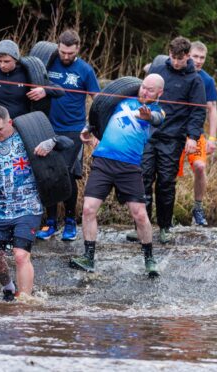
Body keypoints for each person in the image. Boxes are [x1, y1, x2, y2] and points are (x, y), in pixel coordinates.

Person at [0, 105, 71, 301]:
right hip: (1, 207)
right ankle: (9, 287)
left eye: (0, 129)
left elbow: (67, 142)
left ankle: (24, 302)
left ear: (9, 122)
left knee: (20, 255)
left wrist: (52, 143)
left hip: (29, 204)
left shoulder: (27, 137)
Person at [69, 74, 165, 276]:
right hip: (103, 161)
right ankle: (88, 257)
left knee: (139, 214)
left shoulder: (157, 111)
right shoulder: (122, 100)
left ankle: (149, 259)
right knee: (88, 209)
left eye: (149, 90)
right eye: (143, 87)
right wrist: (88, 128)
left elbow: (157, 119)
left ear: (159, 93)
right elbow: (99, 112)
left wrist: (148, 116)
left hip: (129, 167)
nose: (143, 91)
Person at [130, 37, 206, 244]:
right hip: (149, 134)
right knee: (143, 177)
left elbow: (198, 112)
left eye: (180, 59)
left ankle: (164, 226)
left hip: (173, 138)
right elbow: (143, 90)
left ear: (187, 56)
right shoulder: (159, 69)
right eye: (173, 57)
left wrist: (192, 137)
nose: (176, 62)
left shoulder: (194, 80)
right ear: (169, 53)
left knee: (165, 182)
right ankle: (141, 225)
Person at [36, 29, 101, 241]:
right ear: (58, 47)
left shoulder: (85, 70)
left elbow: (97, 100)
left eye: (70, 53)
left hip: (73, 130)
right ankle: (51, 222)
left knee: (67, 174)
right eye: (63, 52)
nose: (65, 56)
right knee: (48, 174)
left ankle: (71, 221)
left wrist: (92, 128)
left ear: (78, 49)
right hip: (47, 127)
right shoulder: (48, 63)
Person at [0, 39, 64, 139]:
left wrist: (44, 91)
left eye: (7, 61)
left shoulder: (28, 74)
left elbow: (60, 90)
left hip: (22, 133)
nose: (2, 65)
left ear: (16, 59)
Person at [177, 41, 217, 226]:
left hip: (196, 133)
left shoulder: (207, 80)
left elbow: (212, 109)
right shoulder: (176, 72)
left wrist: (212, 138)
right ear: (187, 55)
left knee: (200, 167)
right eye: (195, 56)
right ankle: (166, 211)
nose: (199, 61)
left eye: (202, 58)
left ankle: (198, 207)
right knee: (167, 172)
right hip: (175, 132)